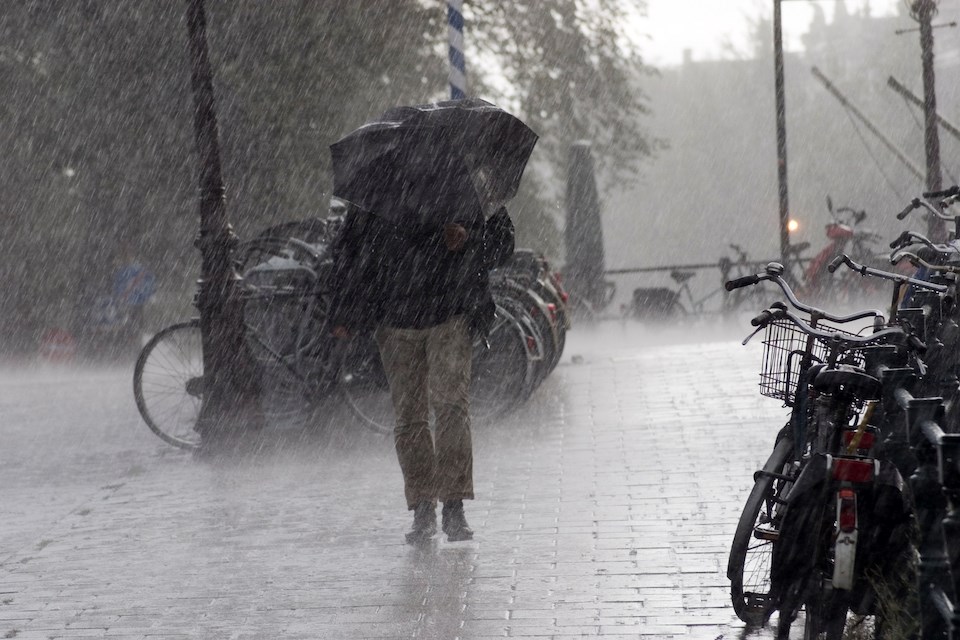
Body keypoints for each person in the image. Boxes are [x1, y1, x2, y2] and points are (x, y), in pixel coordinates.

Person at [328, 188, 515, 544]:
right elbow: (349, 251)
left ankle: (454, 506)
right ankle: (423, 507)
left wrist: (469, 238)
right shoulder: (380, 184)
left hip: (451, 312)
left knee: (451, 407)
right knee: (410, 416)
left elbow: (503, 243)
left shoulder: (466, 181)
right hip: (395, 319)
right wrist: (344, 310)